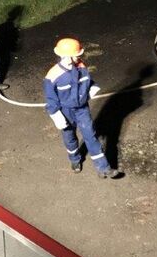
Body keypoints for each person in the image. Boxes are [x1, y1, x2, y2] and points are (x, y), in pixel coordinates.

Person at [44, 37, 119, 178]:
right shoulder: (53, 76)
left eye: (77, 55)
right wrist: (55, 115)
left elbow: (87, 81)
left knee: (91, 136)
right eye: (74, 56)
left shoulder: (81, 67)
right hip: (65, 111)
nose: (77, 58)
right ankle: (75, 160)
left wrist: (92, 87)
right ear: (63, 56)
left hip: (82, 109)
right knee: (69, 137)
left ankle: (103, 168)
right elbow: (51, 99)